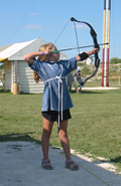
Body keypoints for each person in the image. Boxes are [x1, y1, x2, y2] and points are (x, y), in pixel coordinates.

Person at [23, 43, 99, 171]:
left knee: (63, 133)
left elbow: (78, 57)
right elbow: (27, 57)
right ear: (49, 53)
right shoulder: (41, 66)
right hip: (50, 104)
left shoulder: (63, 64)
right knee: (46, 132)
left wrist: (93, 51)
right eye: (56, 50)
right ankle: (45, 159)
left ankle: (68, 160)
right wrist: (42, 53)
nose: (59, 52)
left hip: (63, 104)